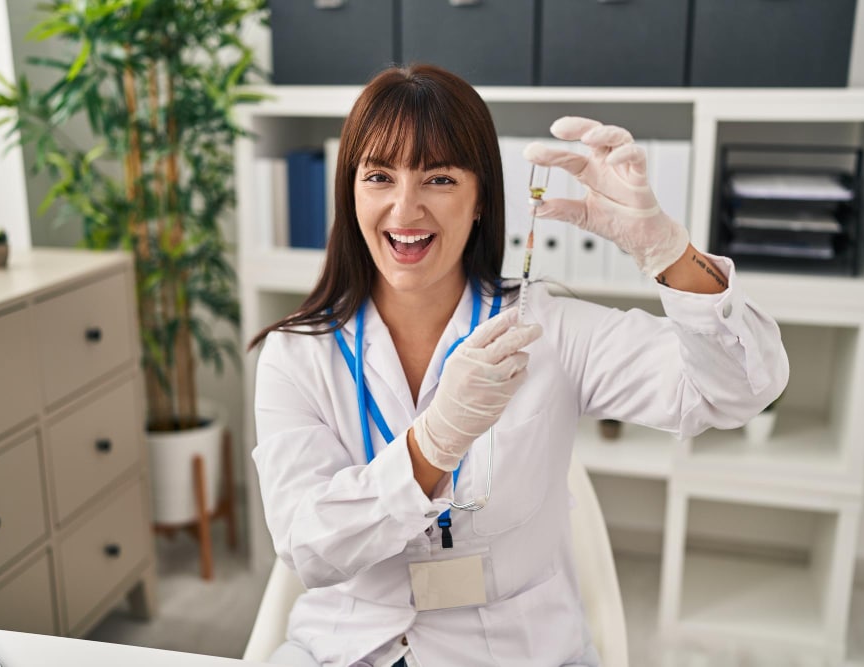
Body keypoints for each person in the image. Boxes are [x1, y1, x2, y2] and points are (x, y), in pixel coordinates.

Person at [249, 64, 788, 667]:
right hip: (347, 648)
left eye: (439, 179)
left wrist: (668, 252)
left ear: (481, 199)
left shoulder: (547, 328)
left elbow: (741, 389)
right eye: (379, 176)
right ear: (352, 192)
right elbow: (307, 547)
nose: (405, 208)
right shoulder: (298, 353)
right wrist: (434, 444)